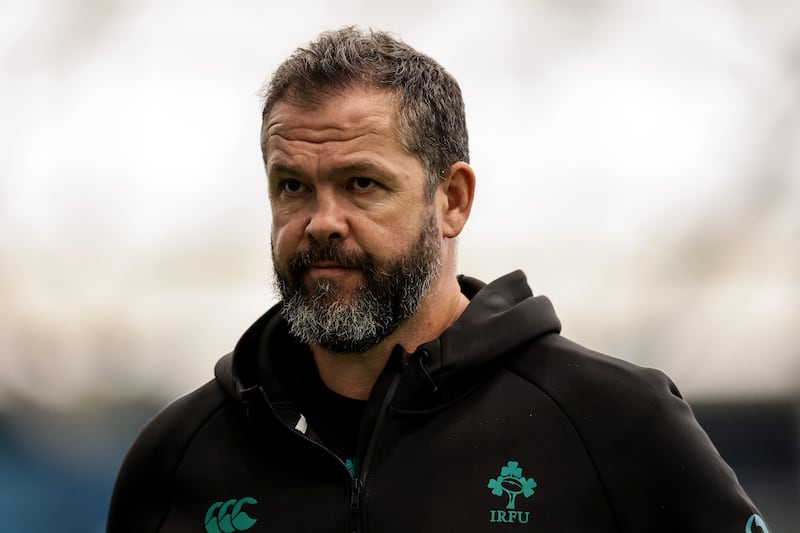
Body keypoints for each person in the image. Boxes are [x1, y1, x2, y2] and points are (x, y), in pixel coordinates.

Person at [107, 27, 770, 533]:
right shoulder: (176, 457)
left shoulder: (615, 422)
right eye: (292, 187)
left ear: (451, 199)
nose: (320, 222)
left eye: (361, 183)